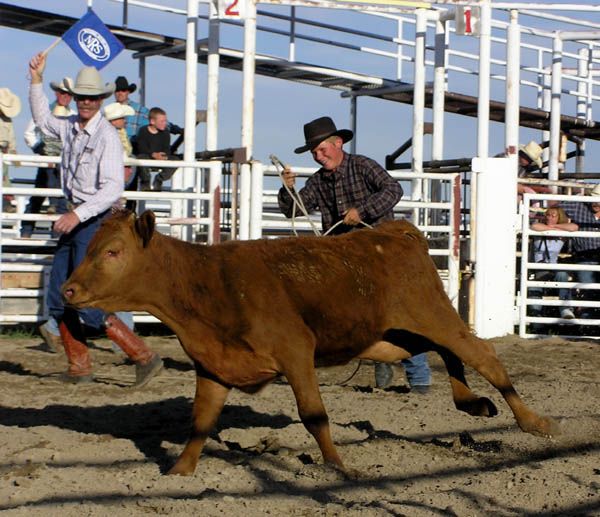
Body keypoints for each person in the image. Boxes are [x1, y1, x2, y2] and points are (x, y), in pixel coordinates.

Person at [28, 52, 163, 386]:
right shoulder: (71, 127)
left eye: (91, 98)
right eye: (81, 97)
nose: (86, 102)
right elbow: (43, 118)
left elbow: (111, 189)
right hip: (78, 217)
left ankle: (142, 355)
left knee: (83, 293)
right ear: (75, 99)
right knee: (61, 291)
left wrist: (76, 214)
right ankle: (80, 367)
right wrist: (35, 80)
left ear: (100, 100)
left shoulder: (105, 138)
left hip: (93, 221)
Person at [278, 116, 431, 393]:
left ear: (338, 143)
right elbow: (295, 210)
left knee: (399, 312)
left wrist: (362, 211)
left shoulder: (362, 166)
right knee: (361, 316)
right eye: (314, 152)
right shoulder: (318, 182)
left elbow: (393, 189)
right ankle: (383, 362)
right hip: (345, 263)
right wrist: (288, 188)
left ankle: (418, 376)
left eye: (322, 149)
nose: (318, 156)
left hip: (380, 254)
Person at [22, 78, 74, 238]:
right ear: (57, 93)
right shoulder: (46, 112)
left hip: (64, 164)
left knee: (61, 201)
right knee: (39, 198)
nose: (65, 96)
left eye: (68, 94)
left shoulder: (73, 116)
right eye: (62, 93)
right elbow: (29, 133)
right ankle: (26, 233)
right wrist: (40, 149)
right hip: (46, 162)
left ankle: (56, 237)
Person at [528, 207, 578, 326]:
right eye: (548, 215)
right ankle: (537, 322)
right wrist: (553, 228)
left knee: (562, 274)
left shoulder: (560, 233)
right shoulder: (540, 228)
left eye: (553, 216)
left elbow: (574, 227)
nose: (549, 217)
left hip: (553, 266)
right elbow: (534, 226)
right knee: (534, 288)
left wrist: (554, 228)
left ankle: (565, 309)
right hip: (539, 267)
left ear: (559, 218)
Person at [560, 183, 600, 321]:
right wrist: (560, 225)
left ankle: (589, 318)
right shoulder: (579, 206)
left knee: (590, 286)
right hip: (585, 256)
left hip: (594, 256)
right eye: (594, 199)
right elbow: (555, 210)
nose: (596, 203)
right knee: (588, 286)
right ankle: (587, 318)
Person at [135, 107, 175, 191]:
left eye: (165, 121)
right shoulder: (143, 131)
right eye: (162, 121)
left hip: (161, 158)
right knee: (141, 158)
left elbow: (167, 149)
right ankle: (145, 181)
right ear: (152, 121)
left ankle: (159, 179)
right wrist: (153, 154)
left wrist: (164, 157)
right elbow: (141, 148)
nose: (165, 123)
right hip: (147, 157)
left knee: (176, 159)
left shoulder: (166, 133)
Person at [0, 87, 20, 213]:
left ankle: (6, 204)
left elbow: (11, 138)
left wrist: (13, 151)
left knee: (4, 180)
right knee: (3, 180)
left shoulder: (7, 120)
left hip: (4, 153)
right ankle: (5, 205)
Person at [113, 75, 149, 143]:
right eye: (117, 90)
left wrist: (171, 127)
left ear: (128, 92)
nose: (120, 93)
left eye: (123, 90)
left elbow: (157, 119)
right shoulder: (108, 112)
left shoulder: (140, 110)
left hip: (134, 151)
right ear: (114, 92)